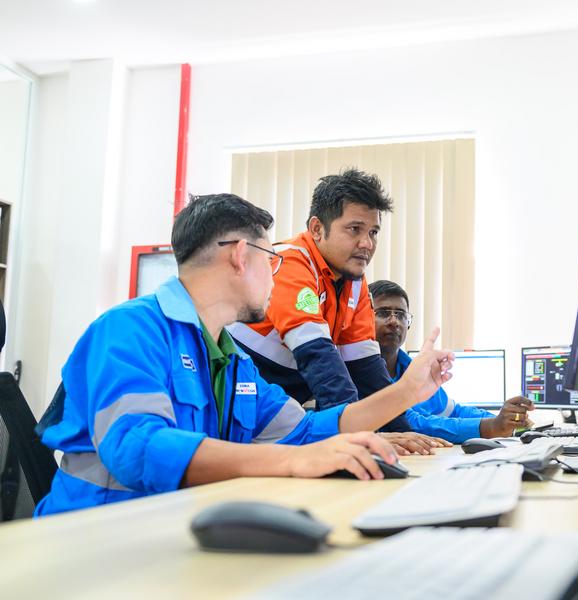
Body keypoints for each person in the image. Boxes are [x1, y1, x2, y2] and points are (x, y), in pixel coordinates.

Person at [35, 194, 453, 516]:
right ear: (239, 255)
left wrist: (407, 392)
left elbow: (306, 431)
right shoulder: (129, 330)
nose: (276, 274)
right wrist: (291, 462)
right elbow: (138, 449)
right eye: (270, 258)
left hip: (176, 530)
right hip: (96, 542)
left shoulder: (233, 359)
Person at [229, 168, 451, 454]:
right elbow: (320, 359)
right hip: (246, 401)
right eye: (354, 229)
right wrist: (361, 435)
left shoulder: (354, 281)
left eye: (373, 232)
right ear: (317, 229)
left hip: (282, 408)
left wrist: (404, 436)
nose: (367, 244)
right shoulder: (291, 262)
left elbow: (368, 372)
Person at [369, 280, 534, 443]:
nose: (394, 321)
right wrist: (492, 426)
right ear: (364, 319)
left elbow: (454, 411)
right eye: (383, 313)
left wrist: (509, 420)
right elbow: (412, 424)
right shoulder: (360, 372)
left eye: (400, 315)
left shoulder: (412, 368)